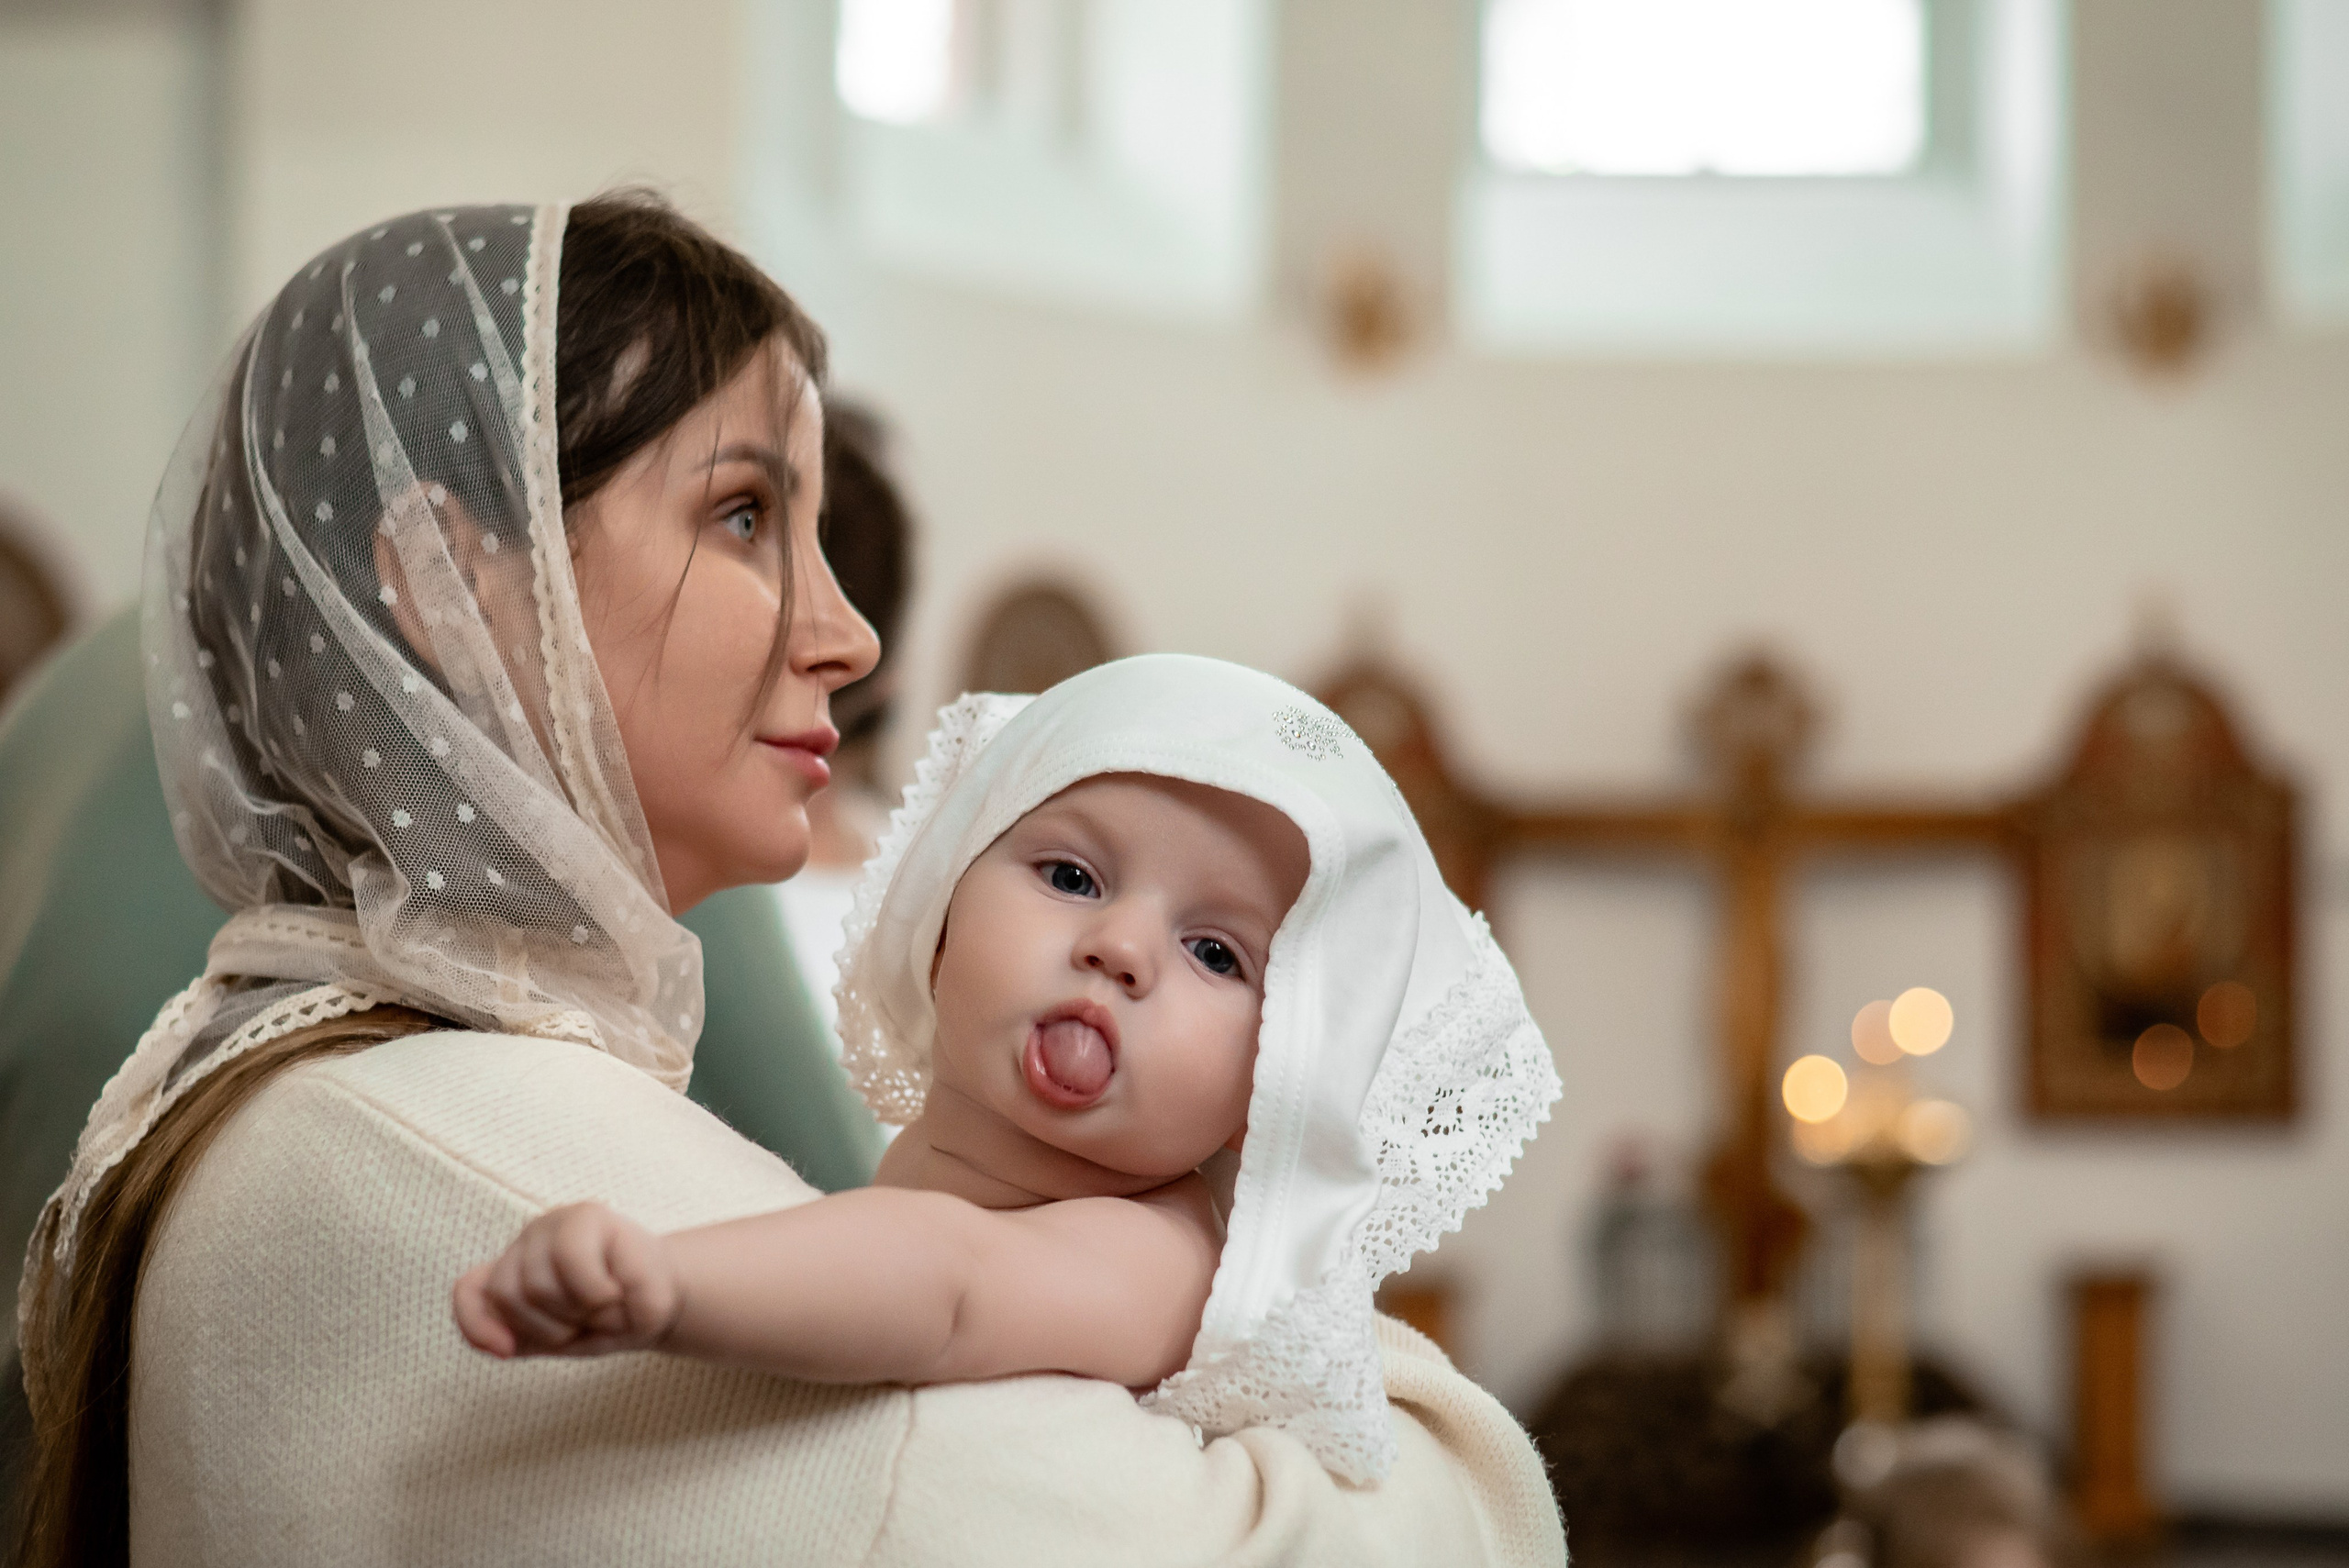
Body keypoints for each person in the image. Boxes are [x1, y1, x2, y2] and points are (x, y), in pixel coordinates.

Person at [14, 195, 1567, 1567]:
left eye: (1223, 953)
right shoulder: (475, 1171)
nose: (850, 635)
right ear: (448, 580)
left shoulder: (346, 1072)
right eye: (746, 514)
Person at [456, 656, 1563, 1485]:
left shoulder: (1164, 1255)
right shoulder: (929, 1153)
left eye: (1216, 952)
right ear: (936, 913)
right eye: (1073, 874)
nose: (1121, 947)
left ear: (1269, 1092)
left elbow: (949, 1285)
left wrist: (669, 1279)